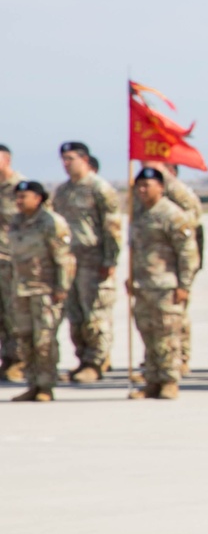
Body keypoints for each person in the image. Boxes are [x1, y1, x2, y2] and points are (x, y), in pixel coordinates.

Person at [51, 142, 121, 384]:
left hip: (94, 261)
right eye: (63, 159)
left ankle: (96, 362)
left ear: (84, 159)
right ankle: (82, 359)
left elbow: (112, 227)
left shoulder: (100, 189)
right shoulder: (63, 192)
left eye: (70, 158)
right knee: (76, 315)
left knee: (95, 315)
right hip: (70, 263)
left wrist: (110, 258)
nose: (66, 163)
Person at [126, 167, 198, 400]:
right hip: (144, 285)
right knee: (148, 334)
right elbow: (135, 249)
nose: (143, 190)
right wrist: (132, 277)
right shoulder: (138, 214)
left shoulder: (172, 214)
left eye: (148, 186)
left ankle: (169, 380)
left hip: (166, 285)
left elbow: (187, 253)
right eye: (140, 186)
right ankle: (152, 380)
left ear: (161, 187)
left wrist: (184, 285)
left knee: (167, 335)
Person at [6, 181, 73, 402]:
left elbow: (63, 258)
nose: (19, 201)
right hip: (21, 289)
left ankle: (46, 385)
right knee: (25, 339)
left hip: (45, 289)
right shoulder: (16, 222)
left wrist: (61, 288)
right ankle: (32, 383)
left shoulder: (51, 222)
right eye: (17, 197)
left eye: (24, 196)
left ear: (38, 198)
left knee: (44, 340)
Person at [0, 145, 20, 381]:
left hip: (14, 260)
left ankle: (19, 360)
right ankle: (7, 358)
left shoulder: (21, 188)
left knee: (16, 314)